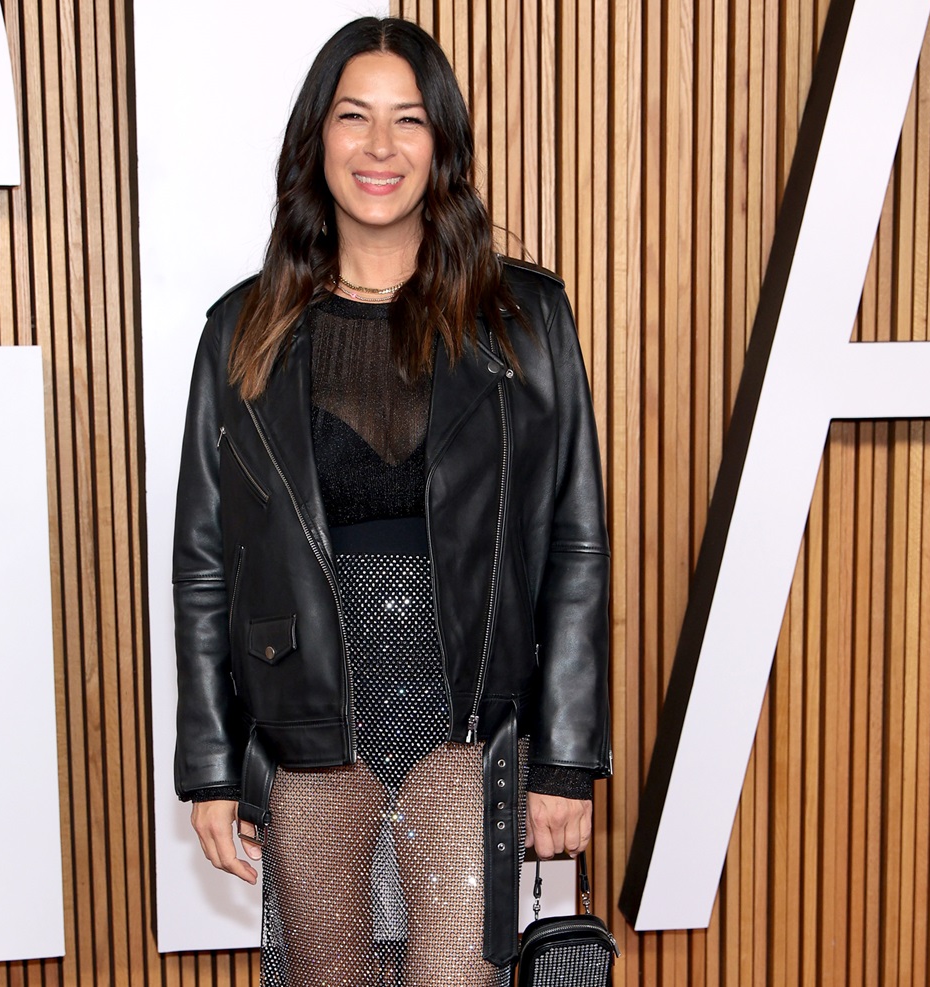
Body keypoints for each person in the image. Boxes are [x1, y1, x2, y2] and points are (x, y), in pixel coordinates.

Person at [173, 16, 610, 986]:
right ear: (314, 141)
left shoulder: (526, 321)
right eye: (353, 117)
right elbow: (205, 557)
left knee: (456, 977)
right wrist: (210, 765)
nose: (380, 147)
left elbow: (577, 543)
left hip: (468, 716)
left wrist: (565, 760)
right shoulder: (240, 331)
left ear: (443, 146)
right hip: (310, 722)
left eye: (408, 121)